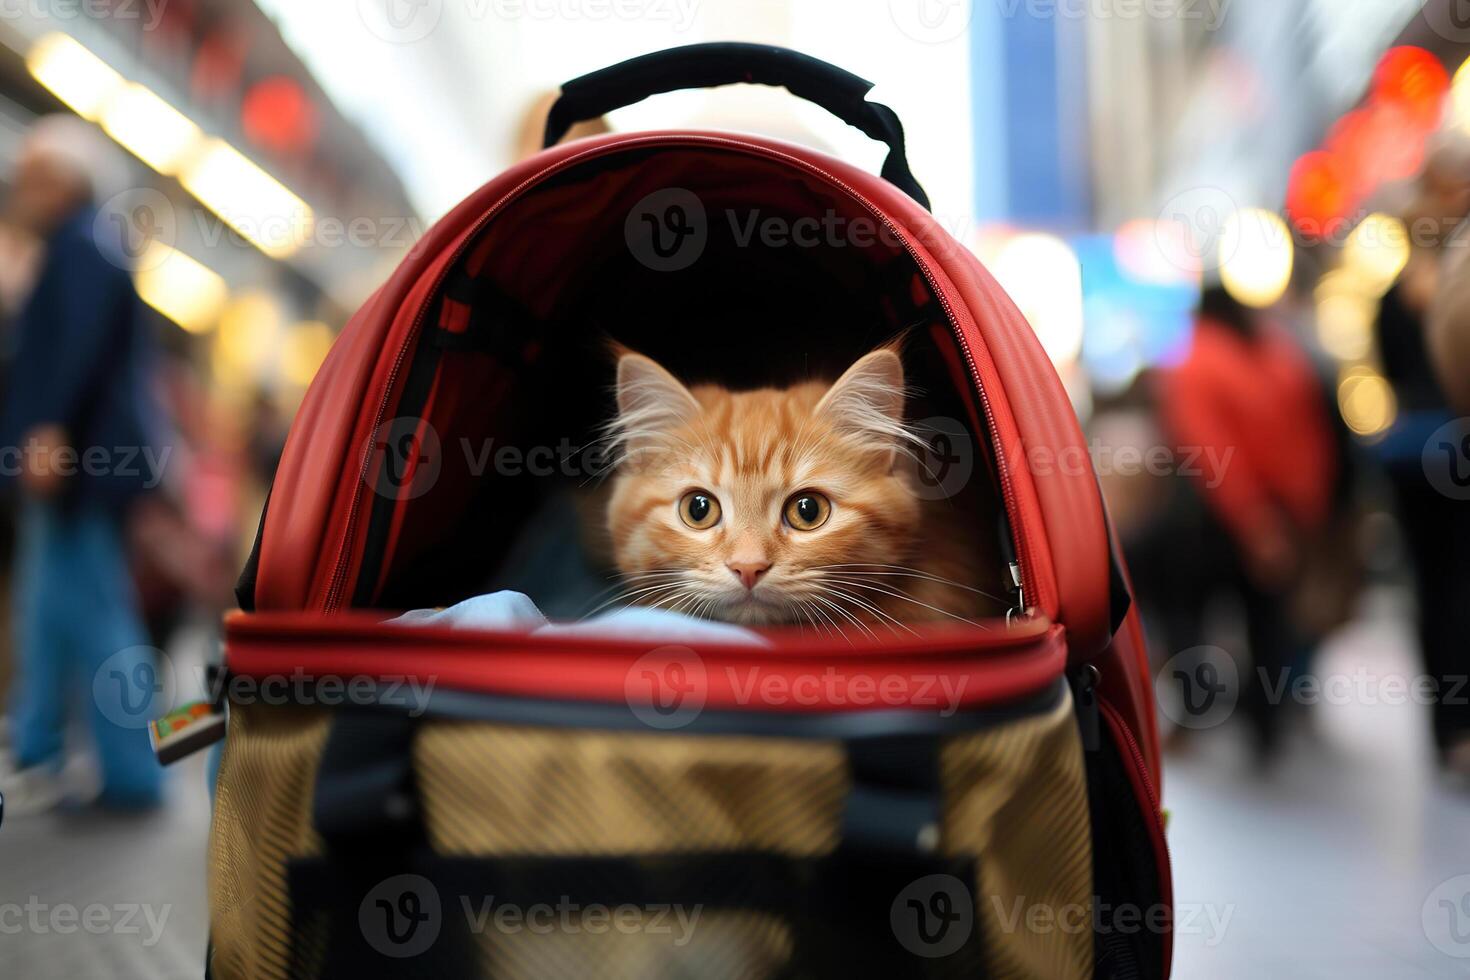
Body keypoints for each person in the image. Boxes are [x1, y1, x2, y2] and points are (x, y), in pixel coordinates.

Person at [0, 116, 165, 813]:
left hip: (78, 463)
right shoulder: (82, 246)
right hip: (78, 463)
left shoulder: (81, 249)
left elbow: (73, 353)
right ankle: (37, 743)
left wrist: (48, 430)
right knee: (49, 606)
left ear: (68, 181)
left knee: (95, 614)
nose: (23, 189)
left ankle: (134, 773)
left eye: (37, 175)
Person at [1155, 284, 1338, 759]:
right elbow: (1309, 443)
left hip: (1213, 521)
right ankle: (1267, 727)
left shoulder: (1195, 361)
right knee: (1268, 620)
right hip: (1281, 512)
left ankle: (1196, 717)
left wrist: (1254, 521)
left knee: (1192, 617)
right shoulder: (1278, 357)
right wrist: (1301, 514)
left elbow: (1210, 452)